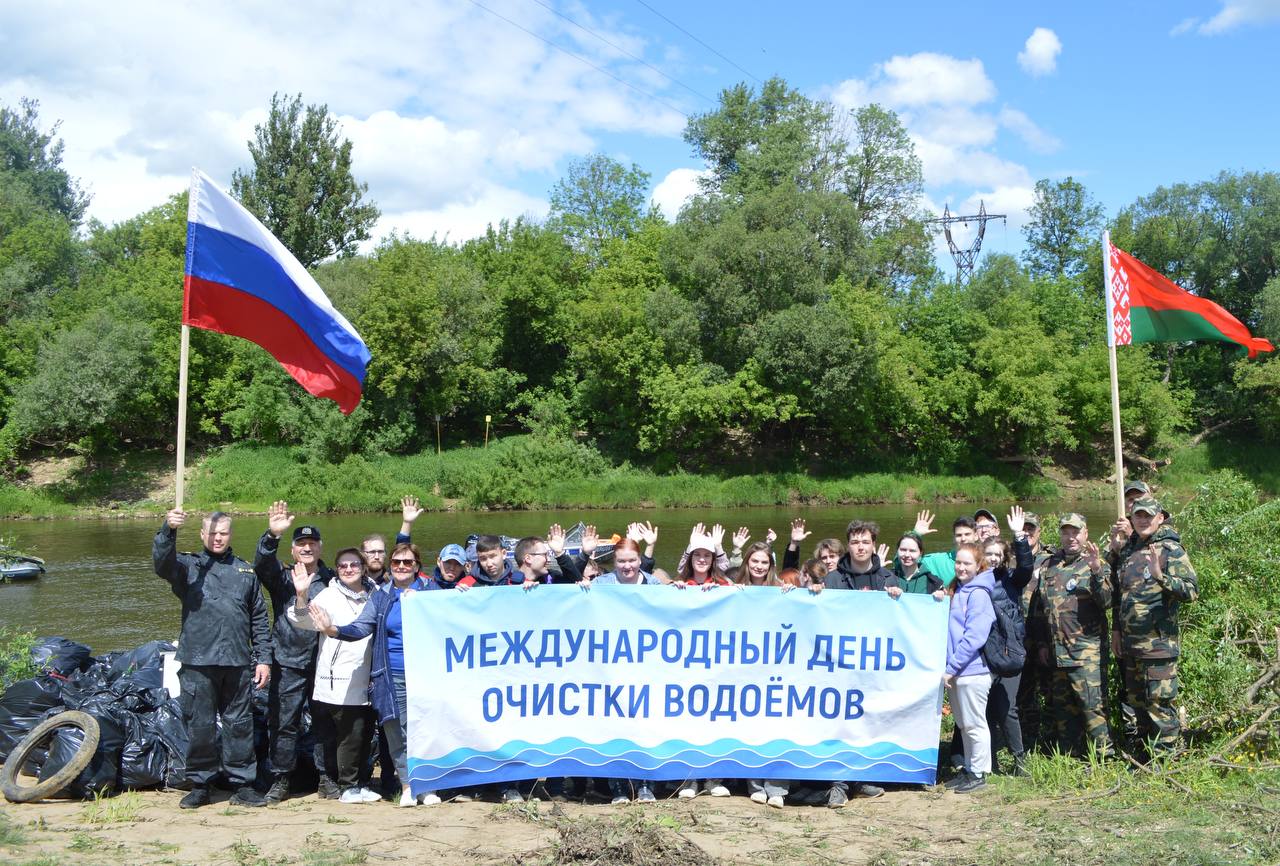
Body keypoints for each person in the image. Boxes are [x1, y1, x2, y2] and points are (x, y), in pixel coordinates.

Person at [310, 542, 443, 807]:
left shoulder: (431, 591)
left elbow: (455, 615)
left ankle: (428, 786)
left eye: (407, 562)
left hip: (428, 673)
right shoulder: (381, 595)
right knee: (397, 732)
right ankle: (407, 785)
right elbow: (361, 627)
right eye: (396, 563)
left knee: (427, 731)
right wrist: (332, 629)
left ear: (417, 566)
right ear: (390, 566)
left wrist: (462, 593)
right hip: (392, 673)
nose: (402, 567)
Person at [154, 509, 270, 809]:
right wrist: (168, 530)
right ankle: (200, 784)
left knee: (240, 725)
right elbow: (162, 563)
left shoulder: (246, 572)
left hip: (237, 662)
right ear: (202, 534)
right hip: (197, 661)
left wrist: (264, 659)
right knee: (200, 725)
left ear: (230, 535)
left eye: (224, 533)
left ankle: (242, 784)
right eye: (213, 533)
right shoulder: (187, 567)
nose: (218, 538)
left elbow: (258, 618)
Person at [1103, 496, 1198, 757]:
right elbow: (1118, 596)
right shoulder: (1128, 550)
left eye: (1148, 516)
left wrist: (1161, 577)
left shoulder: (1170, 549)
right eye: (1138, 515)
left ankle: (1165, 761)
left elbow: (1191, 591)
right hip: (1132, 647)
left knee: (1159, 706)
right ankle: (1146, 757)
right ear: (1132, 519)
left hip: (1158, 646)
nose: (1143, 520)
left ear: (1160, 518)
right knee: (1139, 705)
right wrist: (1116, 632)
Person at [255, 502, 335, 803]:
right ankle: (281, 778)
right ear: (293, 550)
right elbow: (261, 564)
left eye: (312, 543)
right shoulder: (282, 577)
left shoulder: (332, 577)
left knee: (325, 722)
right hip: (287, 659)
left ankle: (327, 777)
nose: (307, 547)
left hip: (325, 661)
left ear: (320, 547)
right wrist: (271, 536)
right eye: (301, 543)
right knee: (283, 722)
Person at [288, 549, 380, 804]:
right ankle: (347, 785)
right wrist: (301, 594)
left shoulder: (377, 593)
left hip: (370, 674)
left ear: (363, 567)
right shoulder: (329, 594)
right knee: (348, 734)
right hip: (339, 676)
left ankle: (361, 782)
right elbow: (301, 620)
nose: (348, 569)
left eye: (353, 565)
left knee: (364, 733)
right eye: (342, 566)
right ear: (337, 570)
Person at [578, 538, 661, 804]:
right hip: (610, 669)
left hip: (646, 667)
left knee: (644, 725)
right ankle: (619, 788)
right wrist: (580, 590)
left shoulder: (654, 585)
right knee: (614, 726)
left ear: (640, 560)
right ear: (614, 562)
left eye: (632, 560)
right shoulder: (602, 584)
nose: (627, 566)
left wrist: (680, 591)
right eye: (621, 561)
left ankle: (645, 785)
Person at [1037, 513, 1113, 758]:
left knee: (1093, 709)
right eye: (1066, 532)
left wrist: (1097, 570)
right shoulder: (1050, 565)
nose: (1070, 537)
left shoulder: (1095, 562)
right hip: (1058, 653)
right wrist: (1042, 643)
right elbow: (1041, 607)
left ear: (1085, 533)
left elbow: (1108, 601)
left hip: (1086, 655)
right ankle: (1072, 758)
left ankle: (1104, 758)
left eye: (1075, 532)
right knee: (1064, 712)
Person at [981, 507, 1034, 776]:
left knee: (1007, 709)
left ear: (1004, 558)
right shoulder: (973, 582)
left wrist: (1019, 536)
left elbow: (1026, 566)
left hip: (1009, 652)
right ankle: (987, 763)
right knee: (986, 712)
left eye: (997, 555)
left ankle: (1020, 761)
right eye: (988, 554)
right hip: (981, 656)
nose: (992, 559)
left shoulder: (1013, 580)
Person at [944, 542, 997, 793]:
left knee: (975, 725)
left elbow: (974, 637)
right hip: (957, 673)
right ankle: (968, 769)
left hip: (972, 672)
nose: (961, 567)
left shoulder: (979, 594)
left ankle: (979, 773)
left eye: (967, 563)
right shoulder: (958, 590)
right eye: (958, 562)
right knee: (964, 725)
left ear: (978, 566)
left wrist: (952, 667)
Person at [919, 515, 979, 589]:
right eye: (959, 535)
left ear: (976, 536)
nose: (963, 539)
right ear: (954, 538)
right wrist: (916, 534)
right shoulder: (938, 561)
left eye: (967, 534)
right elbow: (906, 560)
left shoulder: (985, 559)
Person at [886, 532, 944, 596]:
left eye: (912, 551)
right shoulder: (886, 577)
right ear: (897, 551)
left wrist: (940, 595)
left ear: (920, 553)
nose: (907, 555)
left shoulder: (934, 582)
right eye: (903, 550)